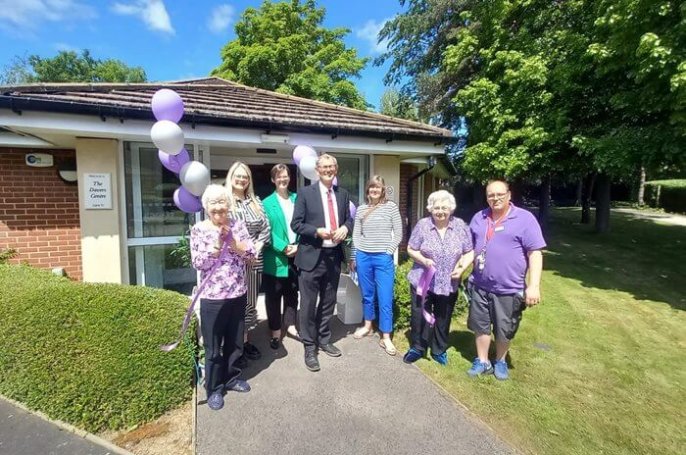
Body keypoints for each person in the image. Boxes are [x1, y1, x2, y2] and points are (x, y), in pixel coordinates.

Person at [466, 180, 545, 380]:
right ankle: (482, 361)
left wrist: (534, 286)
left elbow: (535, 253)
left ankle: (500, 361)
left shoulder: (524, 219)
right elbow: (470, 249)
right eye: (491, 195)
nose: (495, 198)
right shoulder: (479, 218)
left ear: (509, 195)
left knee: (504, 328)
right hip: (479, 284)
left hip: (509, 288)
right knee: (480, 325)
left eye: (500, 194)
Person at [190, 184, 255, 411]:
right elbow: (198, 262)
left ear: (228, 205)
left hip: (237, 292)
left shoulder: (238, 225)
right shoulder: (199, 229)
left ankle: (232, 377)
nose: (218, 208)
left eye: (222, 203)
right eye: (213, 204)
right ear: (206, 207)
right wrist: (216, 248)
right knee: (213, 347)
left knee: (236, 341)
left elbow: (251, 254)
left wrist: (234, 243)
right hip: (212, 297)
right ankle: (214, 388)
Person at [291, 153, 354, 372]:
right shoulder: (305, 193)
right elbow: (296, 224)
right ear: (317, 170)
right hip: (311, 257)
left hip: (333, 257)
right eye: (324, 167)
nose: (328, 170)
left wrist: (346, 228)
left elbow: (349, 219)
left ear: (335, 170)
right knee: (308, 305)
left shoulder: (343, 194)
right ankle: (310, 347)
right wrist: (316, 232)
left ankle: (324, 338)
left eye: (331, 167)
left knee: (328, 302)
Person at [403, 190, 474, 366]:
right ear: (430, 208)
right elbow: (411, 248)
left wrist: (461, 268)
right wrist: (424, 260)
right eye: (436, 208)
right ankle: (417, 347)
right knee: (419, 314)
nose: (440, 211)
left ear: (451, 208)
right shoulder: (422, 225)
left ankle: (439, 349)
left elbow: (469, 251)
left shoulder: (460, 226)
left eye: (444, 207)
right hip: (423, 279)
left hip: (448, 282)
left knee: (444, 316)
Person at [225, 161, 271, 367]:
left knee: (250, 301)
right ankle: (232, 346)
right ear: (231, 177)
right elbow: (223, 231)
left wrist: (256, 249)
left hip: (255, 259)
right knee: (234, 302)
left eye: (245, 176)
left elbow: (266, 228)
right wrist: (242, 251)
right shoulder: (224, 201)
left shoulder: (256, 201)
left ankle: (245, 342)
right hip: (232, 261)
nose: (242, 180)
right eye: (238, 176)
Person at [351, 175, 403, 355]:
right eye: (371, 187)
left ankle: (386, 336)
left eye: (378, 187)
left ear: (383, 190)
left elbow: (398, 234)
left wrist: (388, 251)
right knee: (367, 294)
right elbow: (356, 234)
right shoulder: (361, 209)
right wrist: (356, 253)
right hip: (363, 256)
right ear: (368, 189)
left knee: (385, 297)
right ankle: (368, 325)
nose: (374, 190)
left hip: (383, 258)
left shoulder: (391, 207)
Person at [262, 164, 300, 350]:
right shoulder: (266, 203)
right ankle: (275, 331)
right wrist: (284, 247)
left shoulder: (297, 198)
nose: (283, 180)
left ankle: (291, 326)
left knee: (292, 293)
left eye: (285, 176)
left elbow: (305, 223)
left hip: (297, 255)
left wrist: (298, 246)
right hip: (276, 257)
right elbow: (265, 231)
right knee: (274, 296)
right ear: (273, 180)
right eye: (279, 177)